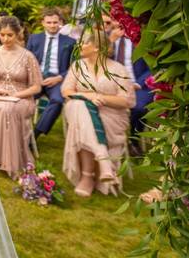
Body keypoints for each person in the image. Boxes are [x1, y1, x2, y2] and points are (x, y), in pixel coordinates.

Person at [61, 29, 135, 196]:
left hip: (111, 115)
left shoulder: (118, 69)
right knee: (80, 107)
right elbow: (66, 91)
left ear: (96, 47)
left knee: (84, 119)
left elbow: (128, 100)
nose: (80, 45)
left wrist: (102, 98)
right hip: (79, 110)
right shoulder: (77, 65)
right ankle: (101, 161)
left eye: (85, 42)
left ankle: (88, 176)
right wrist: (88, 96)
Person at [0, 15, 42, 176]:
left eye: (10, 35)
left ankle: (9, 160)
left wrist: (17, 94)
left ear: (18, 34)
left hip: (23, 98)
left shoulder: (28, 56)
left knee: (8, 110)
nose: (5, 39)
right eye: (2, 35)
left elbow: (36, 87)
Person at [27, 8, 76, 138]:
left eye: (55, 22)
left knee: (58, 100)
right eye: (49, 22)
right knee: (23, 97)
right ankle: (18, 129)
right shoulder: (34, 39)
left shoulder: (70, 42)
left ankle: (35, 133)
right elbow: (27, 61)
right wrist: (35, 77)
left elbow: (75, 66)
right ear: (43, 23)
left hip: (57, 80)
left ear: (60, 22)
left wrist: (59, 78)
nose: (52, 25)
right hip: (36, 78)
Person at [107, 16, 152, 156]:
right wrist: (110, 42)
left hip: (137, 84)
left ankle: (134, 140)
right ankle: (107, 141)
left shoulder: (140, 40)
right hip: (110, 85)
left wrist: (138, 83)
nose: (119, 23)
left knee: (139, 108)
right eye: (115, 20)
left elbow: (152, 67)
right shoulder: (104, 39)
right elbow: (95, 62)